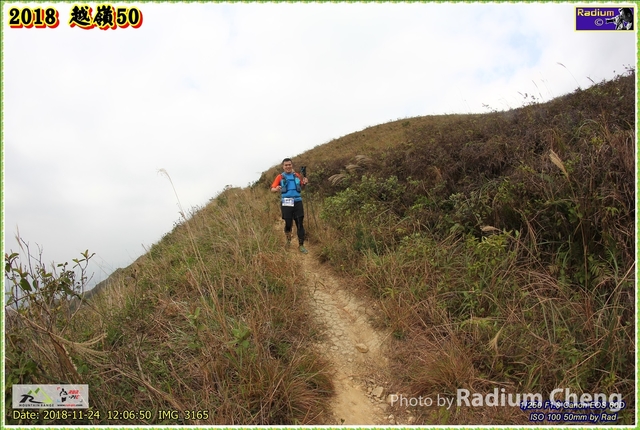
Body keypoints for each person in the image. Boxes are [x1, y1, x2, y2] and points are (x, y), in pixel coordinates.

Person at [271, 158, 309, 253]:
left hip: (297, 201)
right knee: (288, 223)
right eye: (286, 165)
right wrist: (276, 189)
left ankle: (301, 245)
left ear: (292, 165)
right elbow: (272, 188)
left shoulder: (297, 175)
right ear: (283, 167)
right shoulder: (280, 177)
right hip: (286, 202)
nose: (288, 166)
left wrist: (305, 183)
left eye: (289, 164)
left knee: (300, 223)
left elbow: (302, 186)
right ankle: (288, 240)